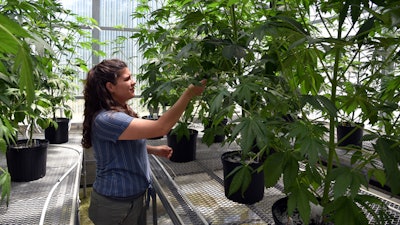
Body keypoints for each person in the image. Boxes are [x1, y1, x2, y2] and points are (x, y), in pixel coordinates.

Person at [81, 59, 206, 225]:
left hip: (132, 198)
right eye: (127, 79)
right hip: (115, 205)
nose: (133, 82)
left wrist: (153, 150)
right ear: (110, 87)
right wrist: (188, 94)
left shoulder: (119, 111)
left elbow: (121, 146)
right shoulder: (108, 119)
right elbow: (161, 128)